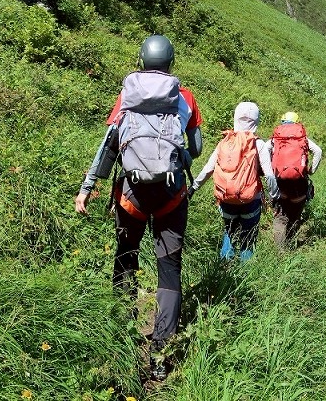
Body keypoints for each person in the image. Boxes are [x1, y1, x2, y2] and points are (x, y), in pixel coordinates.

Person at [74, 34, 202, 379]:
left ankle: (122, 337)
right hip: (171, 198)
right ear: (171, 64)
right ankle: (160, 356)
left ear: (142, 61)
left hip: (131, 196)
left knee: (126, 257)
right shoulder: (186, 97)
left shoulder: (127, 96)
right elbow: (196, 148)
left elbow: (109, 146)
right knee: (169, 270)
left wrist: (87, 188)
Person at [189, 102, 276, 262]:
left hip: (226, 199)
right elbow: (270, 176)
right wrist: (274, 196)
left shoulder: (224, 142)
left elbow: (208, 169)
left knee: (229, 233)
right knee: (247, 239)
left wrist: (193, 188)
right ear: (256, 120)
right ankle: (245, 272)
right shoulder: (258, 144)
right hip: (250, 200)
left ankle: (224, 268)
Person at [268, 111, 322, 249]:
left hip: (280, 183)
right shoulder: (302, 138)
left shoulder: (276, 138)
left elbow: (264, 149)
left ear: (282, 122)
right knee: (295, 215)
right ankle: (290, 246)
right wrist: (311, 170)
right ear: (297, 123)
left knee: (280, 216)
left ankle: (279, 252)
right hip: (299, 183)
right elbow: (318, 151)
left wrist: (270, 169)